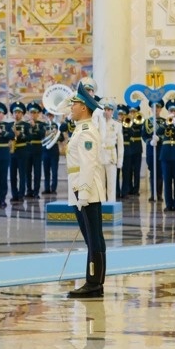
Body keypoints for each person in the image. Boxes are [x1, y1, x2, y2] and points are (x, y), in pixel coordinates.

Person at [65, 82, 107, 298]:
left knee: (93, 238)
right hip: (81, 189)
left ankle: (93, 283)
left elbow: (89, 164)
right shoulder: (80, 129)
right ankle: (95, 281)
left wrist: (83, 192)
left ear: (83, 107)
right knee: (92, 237)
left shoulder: (87, 131)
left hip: (86, 191)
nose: (70, 108)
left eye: (74, 104)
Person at [158, 100, 175, 211]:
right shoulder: (164, 124)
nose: (173, 113)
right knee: (167, 181)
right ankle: (169, 204)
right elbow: (158, 131)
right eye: (171, 111)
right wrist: (166, 123)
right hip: (166, 155)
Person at [99, 102, 123, 202]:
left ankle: (111, 206)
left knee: (111, 185)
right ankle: (102, 206)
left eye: (109, 110)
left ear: (112, 112)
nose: (107, 112)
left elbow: (120, 144)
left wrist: (120, 161)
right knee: (101, 185)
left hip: (111, 156)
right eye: (105, 110)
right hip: (100, 156)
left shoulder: (117, 124)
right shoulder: (99, 124)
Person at [9, 102, 29, 203]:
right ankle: (14, 194)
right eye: (15, 112)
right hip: (12, 152)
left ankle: (21, 194)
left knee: (22, 174)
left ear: (22, 114)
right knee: (12, 175)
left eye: (18, 112)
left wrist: (19, 134)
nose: (16, 114)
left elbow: (29, 138)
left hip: (22, 151)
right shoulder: (9, 125)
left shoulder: (26, 125)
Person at [25, 101, 45, 198]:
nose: (33, 114)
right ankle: (29, 191)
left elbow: (42, 135)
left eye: (34, 112)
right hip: (27, 149)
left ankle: (36, 192)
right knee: (27, 172)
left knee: (37, 172)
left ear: (38, 114)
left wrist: (34, 126)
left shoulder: (41, 124)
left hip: (37, 150)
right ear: (28, 113)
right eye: (31, 112)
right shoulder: (25, 124)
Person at [41, 108, 63, 195]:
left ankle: (53, 188)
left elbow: (62, 138)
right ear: (45, 116)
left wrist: (56, 134)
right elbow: (40, 136)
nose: (49, 117)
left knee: (54, 171)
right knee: (46, 171)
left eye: (51, 115)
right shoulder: (43, 126)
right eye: (48, 115)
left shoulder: (56, 126)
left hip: (54, 151)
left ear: (53, 116)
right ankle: (46, 188)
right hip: (45, 151)